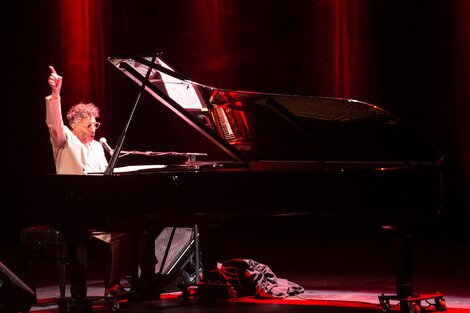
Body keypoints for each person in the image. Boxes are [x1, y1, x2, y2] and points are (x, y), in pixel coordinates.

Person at [45, 66, 135, 298]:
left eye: (96, 124)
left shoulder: (97, 147)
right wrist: (56, 95)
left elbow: (106, 177)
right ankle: (114, 284)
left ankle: (142, 281)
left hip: (99, 207)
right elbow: (53, 121)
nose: (94, 129)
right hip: (75, 209)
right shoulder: (63, 140)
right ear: (74, 125)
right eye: (89, 125)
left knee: (138, 228)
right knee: (120, 234)